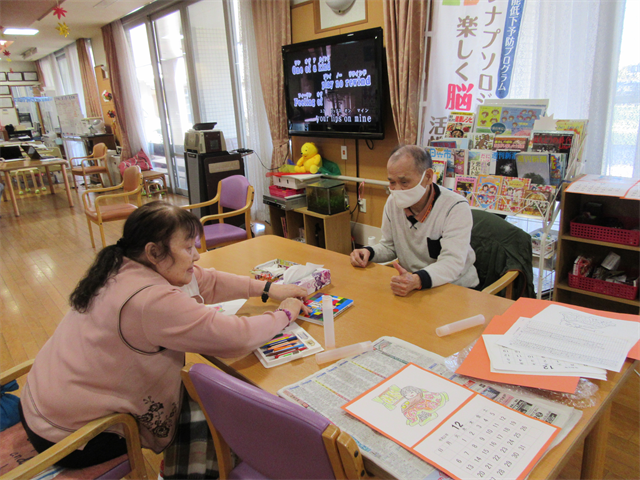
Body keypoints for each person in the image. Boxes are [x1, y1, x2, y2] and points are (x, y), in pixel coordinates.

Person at [20, 201, 309, 469]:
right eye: (187, 248)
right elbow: (237, 338)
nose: (196, 255)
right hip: (70, 437)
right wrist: (284, 313)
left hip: (41, 403)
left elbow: (205, 279)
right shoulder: (151, 300)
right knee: (222, 413)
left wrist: (267, 288)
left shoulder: (122, 263)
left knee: (203, 396)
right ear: (153, 251)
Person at [350, 145, 478, 296]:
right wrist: (368, 252)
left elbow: (452, 263)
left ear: (428, 177)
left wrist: (417, 280)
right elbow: (389, 246)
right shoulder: (393, 202)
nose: (397, 189)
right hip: (413, 284)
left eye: (404, 182)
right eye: (392, 182)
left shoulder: (455, 207)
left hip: (455, 288)